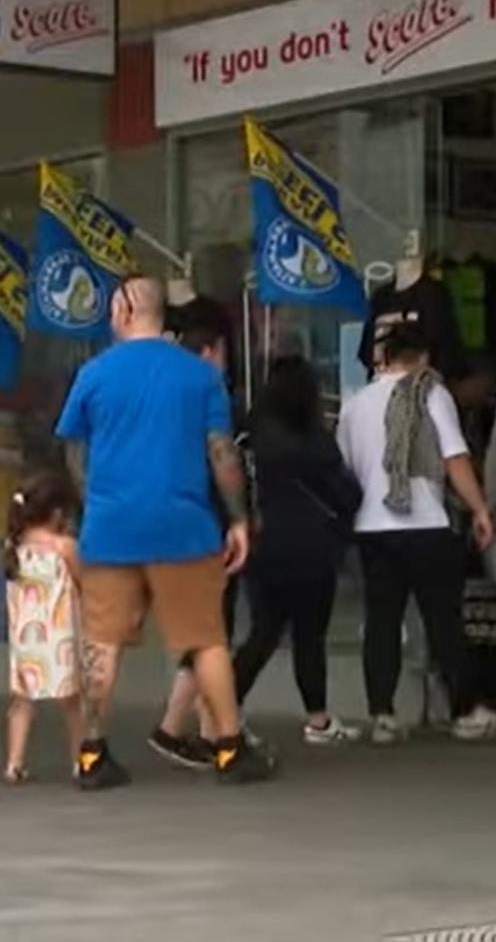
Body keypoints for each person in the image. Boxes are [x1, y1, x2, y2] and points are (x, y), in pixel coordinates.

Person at [56, 275, 276, 789]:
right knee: (205, 639)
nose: (109, 313)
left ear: (128, 308)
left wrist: (96, 501)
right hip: (184, 525)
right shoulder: (198, 375)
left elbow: (72, 450)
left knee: (103, 642)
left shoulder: (93, 372)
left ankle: (91, 754)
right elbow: (222, 452)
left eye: (114, 305)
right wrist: (239, 519)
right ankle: (229, 748)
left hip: (111, 528)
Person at [338, 323, 495, 744]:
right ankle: (467, 710)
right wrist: (480, 509)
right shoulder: (432, 393)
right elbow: (455, 458)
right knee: (443, 620)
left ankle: (383, 716)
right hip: (426, 523)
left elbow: (348, 468)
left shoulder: (357, 404)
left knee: (383, 622)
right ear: (423, 357)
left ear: (385, 357)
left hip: (372, 527)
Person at [233, 356, 362, 744]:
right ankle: (318, 720)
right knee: (310, 636)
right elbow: (344, 493)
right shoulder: (314, 441)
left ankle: (226, 710)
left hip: (263, 544)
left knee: (263, 632)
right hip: (311, 547)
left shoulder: (250, 437)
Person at [148, 303, 251, 768]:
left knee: (204, 629)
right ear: (209, 353)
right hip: (203, 524)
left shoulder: (163, 398)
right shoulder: (208, 395)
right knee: (209, 629)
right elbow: (220, 458)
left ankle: (207, 728)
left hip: (170, 520)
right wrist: (238, 519)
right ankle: (186, 729)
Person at [3, 472, 83, 783]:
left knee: (20, 703)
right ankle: (81, 759)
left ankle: (14, 763)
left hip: (24, 640)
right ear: (58, 513)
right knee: (73, 702)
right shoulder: (64, 547)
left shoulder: (15, 547)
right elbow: (82, 580)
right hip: (61, 637)